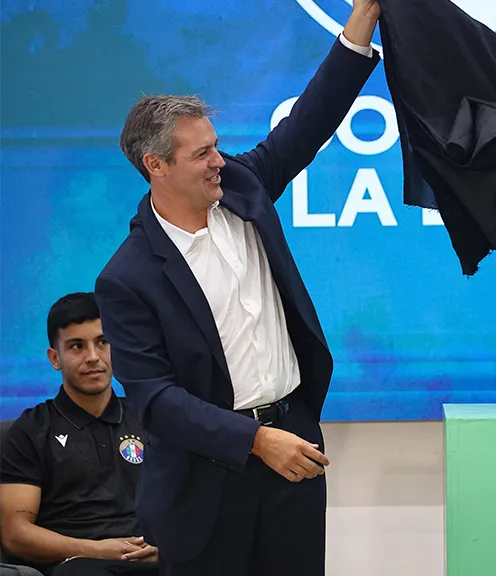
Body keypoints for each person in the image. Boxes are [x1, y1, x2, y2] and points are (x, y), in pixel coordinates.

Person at [92, 2, 380, 574]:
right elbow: (155, 399)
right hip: (204, 482)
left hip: (294, 449)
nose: (218, 161)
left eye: (216, 146)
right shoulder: (127, 277)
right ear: (156, 165)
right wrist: (253, 440)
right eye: (202, 154)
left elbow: (311, 121)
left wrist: (363, 18)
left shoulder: (244, 187)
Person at [0, 293, 158, 576]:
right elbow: (14, 534)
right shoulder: (31, 430)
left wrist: (168, 544)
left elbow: (184, 501)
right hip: (79, 564)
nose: (93, 357)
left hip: (153, 557)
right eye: (76, 346)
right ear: (55, 358)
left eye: (103, 342)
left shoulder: (148, 417)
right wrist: (96, 549)